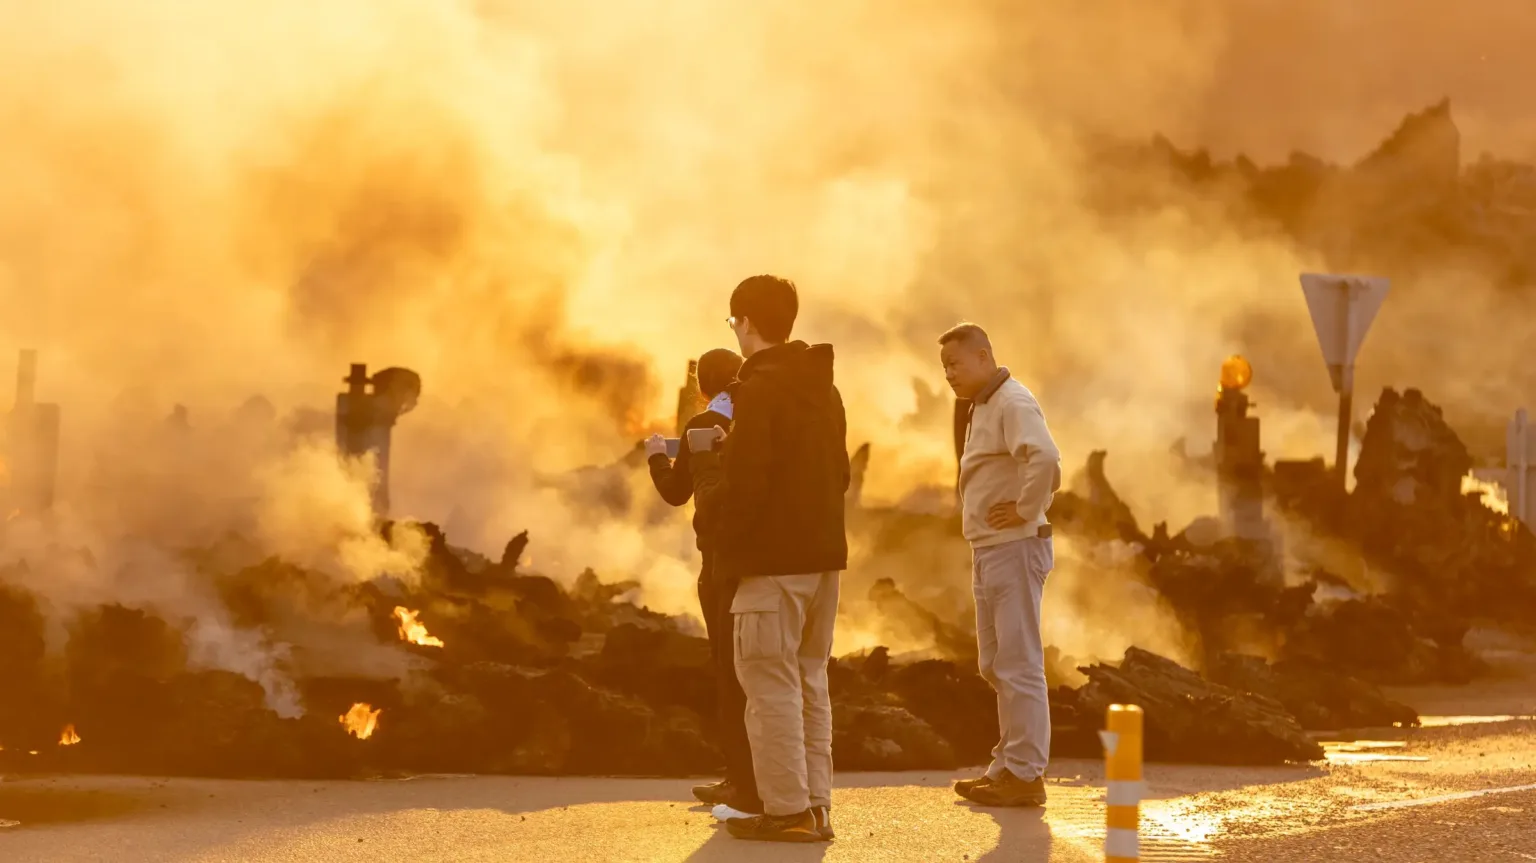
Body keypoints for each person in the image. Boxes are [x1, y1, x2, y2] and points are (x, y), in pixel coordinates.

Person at [689, 274, 849, 843]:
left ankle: (785, 812)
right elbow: (842, 476)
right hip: (822, 561)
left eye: (733, 321)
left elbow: (746, 489)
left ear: (746, 323)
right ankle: (815, 804)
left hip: (769, 566)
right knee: (809, 681)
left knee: (769, 687)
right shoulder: (823, 389)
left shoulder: (757, 392)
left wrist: (708, 481)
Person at [939, 322, 1060, 808]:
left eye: (956, 363)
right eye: (944, 367)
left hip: (1014, 545)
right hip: (989, 547)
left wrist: (1027, 508)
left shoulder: (1012, 401)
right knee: (995, 662)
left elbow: (1046, 459)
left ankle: (1026, 774)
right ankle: (1007, 765)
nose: (949, 374)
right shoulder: (982, 406)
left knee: (1019, 662)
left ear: (984, 356)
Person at [642, 348, 761, 816]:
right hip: (762, 559)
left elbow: (676, 493)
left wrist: (656, 458)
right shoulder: (757, 417)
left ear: (702, 388)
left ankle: (741, 779)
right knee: (763, 672)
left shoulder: (700, 426)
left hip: (719, 563)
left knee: (729, 673)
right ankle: (765, 776)